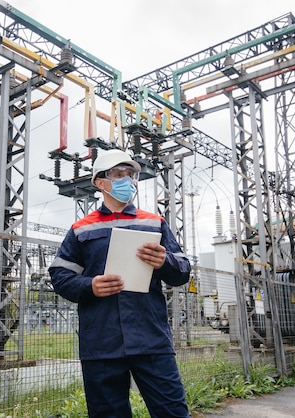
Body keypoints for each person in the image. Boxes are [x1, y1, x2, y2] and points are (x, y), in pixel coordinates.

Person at [48, 148, 192, 417]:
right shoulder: (81, 229)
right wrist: (89, 286)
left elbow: (183, 272)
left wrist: (165, 262)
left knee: (172, 412)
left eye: (130, 174)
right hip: (102, 342)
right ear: (99, 182)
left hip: (150, 338)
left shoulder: (154, 223)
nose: (127, 180)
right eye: (118, 174)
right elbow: (60, 277)